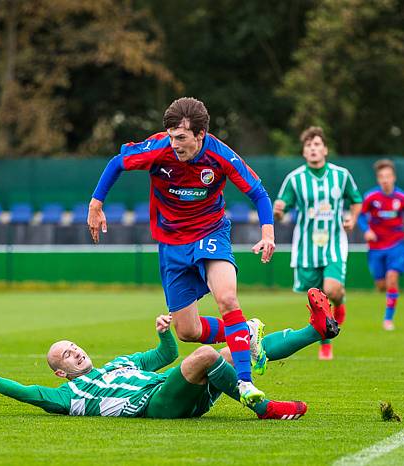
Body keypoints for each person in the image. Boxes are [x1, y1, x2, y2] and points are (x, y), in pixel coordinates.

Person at [86, 97, 276, 406]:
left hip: (211, 232)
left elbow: (258, 191)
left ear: (200, 135)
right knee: (188, 330)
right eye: (172, 136)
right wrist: (96, 203)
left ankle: (244, 381)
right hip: (172, 242)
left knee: (227, 298)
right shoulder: (158, 147)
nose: (175, 144)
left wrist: (267, 233)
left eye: (182, 138)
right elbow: (117, 163)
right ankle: (246, 333)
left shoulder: (220, 155)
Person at [0, 288, 339, 420]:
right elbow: (25, 392)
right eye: (65, 356)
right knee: (206, 353)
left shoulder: (121, 362)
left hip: (176, 388)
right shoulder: (69, 395)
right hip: (156, 404)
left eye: (72, 347)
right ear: (61, 373)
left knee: (230, 346)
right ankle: (260, 404)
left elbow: (162, 356)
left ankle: (315, 330)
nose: (74, 353)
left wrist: (164, 334)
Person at [273, 126, 362, 360]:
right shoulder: (295, 179)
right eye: (308, 145)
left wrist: (353, 218)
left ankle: (338, 306)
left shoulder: (341, 175)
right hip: (306, 248)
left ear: (325, 149)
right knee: (316, 299)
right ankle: (325, 338)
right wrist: (278, 211)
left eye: (317, 144)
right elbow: (282, 209)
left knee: (332, 291)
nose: (313, 149)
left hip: (333, 243)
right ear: (304, 152)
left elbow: (356, 200)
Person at [357, 159, 404, 331]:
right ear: (378, 179)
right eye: (381, 176)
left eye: (388, 176)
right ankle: (385, 292)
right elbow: (361, 216)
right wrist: (366, 229)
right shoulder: (371, 197)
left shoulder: (403, 198)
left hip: (397, 244)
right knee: (381, 285)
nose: (385, 180)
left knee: (392, 279)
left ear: (394, 178)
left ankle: (388, 319)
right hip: (376, 247)